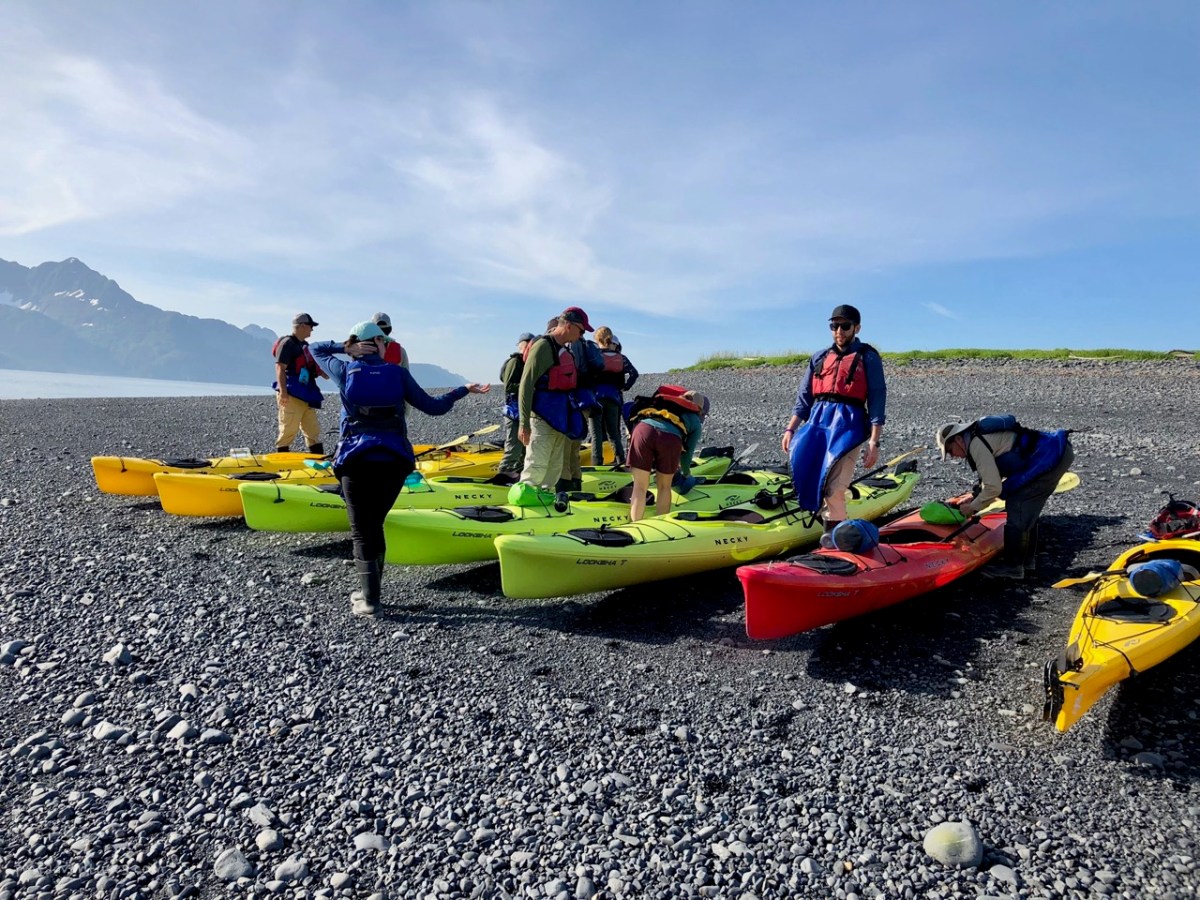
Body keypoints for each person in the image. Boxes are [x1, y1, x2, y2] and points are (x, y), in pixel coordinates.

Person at [311, 322, 490, 616]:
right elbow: (434, 407)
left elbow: (314, 348)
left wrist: (344, 347)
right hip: (393, 461)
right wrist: (462, 390)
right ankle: (369, 594)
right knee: (374, 524)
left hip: (356, 461)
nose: (387, 345)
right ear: (378, 343)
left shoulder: (344, 371)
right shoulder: (398, 373)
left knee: (362, 531)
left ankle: (371, 601)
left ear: (357, 344)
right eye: (384, 341)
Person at [781, 304, 886, 544]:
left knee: (836, 487)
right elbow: (804, 398)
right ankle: (827, 529)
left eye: (845, 326)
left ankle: (835, 541)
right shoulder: (819, 357)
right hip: (817, 425)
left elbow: (877, 399)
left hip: (848, 427)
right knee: (808, 476)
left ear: (857, 328)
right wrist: (790, 428)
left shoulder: (868, 357)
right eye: (834, 326)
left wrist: (874, 442)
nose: (839, 331)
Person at [936, 415, 1075, 580]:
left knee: (1018, 503)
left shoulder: (976, 444)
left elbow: (993, 488)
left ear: (958, 439)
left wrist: (972, 508)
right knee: (1027, 509)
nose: (953, 456)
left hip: (1051, 456)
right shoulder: (975, 438)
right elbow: (990, 477)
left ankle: (1013, 567)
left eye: (950, 450)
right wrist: (974, 497)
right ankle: (1027, 562)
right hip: (1055, 453)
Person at [516, 308, 595, 493]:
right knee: (536, 465)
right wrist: (523, 424)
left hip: (559, 420)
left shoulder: (563, 349)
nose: (581, 336)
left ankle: (546, 499)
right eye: (581, 331)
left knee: (554, 468)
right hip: (541, 419)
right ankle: (525, 498)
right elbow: (526, 384)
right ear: (569, 326)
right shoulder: (543, 347)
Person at [625, 385, 709, 521]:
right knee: (664, 487)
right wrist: (686, 473)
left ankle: (636, 523)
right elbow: (687, 455)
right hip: (670, 439)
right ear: (699, 409)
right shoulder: (695, 421)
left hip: (642, 431)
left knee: (639, 486)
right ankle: (661, 524)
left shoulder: (663, 404)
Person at [559, 325, 605, 491]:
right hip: (585, 400)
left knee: (565, 448)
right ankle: (576, 483)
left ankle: (565, 488)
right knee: (574, 447)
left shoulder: (573, 344)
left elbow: (572, 371)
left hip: (574, 400)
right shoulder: (586, 345)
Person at [273, 313, 327, 454]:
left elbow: (312, 367)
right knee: (288, 429)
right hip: (291, 394)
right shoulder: (287, 344)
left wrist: (324, 372)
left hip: (306, 395)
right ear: (302, 326)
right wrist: (283, 392)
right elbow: (280, 368)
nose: (312, 329)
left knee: (313, 430)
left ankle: (318, 460)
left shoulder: (305, 346)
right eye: (310, 326)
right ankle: (282, 462)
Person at [590, 327, 639, 466]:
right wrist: (625, 387)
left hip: (596, 398)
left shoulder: (594, 356)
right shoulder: (621, 358)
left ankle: (597, 463)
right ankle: (621, 460)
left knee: (596, 433)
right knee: (614, 432)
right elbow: (634, 373)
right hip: (614, 397)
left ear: (597, 339)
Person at [498, 332, 537, 474]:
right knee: (514, 446)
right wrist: (530, 387)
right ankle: (503, 475)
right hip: (513, 412)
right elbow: (509, 386)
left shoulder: (526, 362)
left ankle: (517, 474)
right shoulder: (515, 362)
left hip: (523, 411)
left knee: (524, 449)